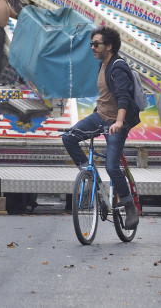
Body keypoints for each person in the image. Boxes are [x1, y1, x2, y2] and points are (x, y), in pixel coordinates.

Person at [62, 26, 141, 228]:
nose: (92, 48)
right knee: (69, 137)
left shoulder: (118, 67)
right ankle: (91, 179)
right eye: (91, 44)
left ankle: (129, 206)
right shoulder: (103, 64)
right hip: (100, 116)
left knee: (112, 166)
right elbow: (107, 95)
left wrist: (119, 122)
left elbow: (124, 97)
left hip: (116, 121)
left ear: (109, 46)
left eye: (96, 44)